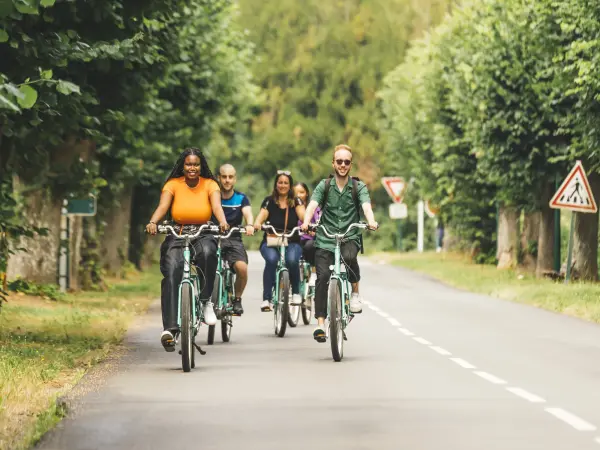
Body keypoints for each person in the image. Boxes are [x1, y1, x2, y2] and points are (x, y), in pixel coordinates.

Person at [146, 148, 229, 352]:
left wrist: (223, 222)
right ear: (182, 166)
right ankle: (171, 329)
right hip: (178, 231)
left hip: (203, 231)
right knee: (172, 269)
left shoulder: (210, 184)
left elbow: (217, 207)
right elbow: (163, 206)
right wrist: (153, 222)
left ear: (201, 166)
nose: (192, 168)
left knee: (209, 254)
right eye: (188, 164)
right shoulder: (173, 184)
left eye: (196, 164)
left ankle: (205, 299)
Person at [301, 144, 378, 343]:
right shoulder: (324, 185)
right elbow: (312, 205)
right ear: (333, 163)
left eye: (346, 162)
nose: (342, 165)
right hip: (325, 237)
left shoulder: (357, 186)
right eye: (339, 161)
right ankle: (319, 324)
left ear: (350, 164)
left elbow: (366, 206)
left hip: (349, 235)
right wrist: (306, 222)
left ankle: (355, 293)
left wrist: (371, 220)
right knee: (323, 276)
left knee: (350, 257)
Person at [254, 171, 305, 311]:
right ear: (276, 184)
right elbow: (262, 215)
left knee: (292, 260)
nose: (282, 185)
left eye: (286, 183)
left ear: (290, 186)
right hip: (271, 241)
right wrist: (257, 223)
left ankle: (295, 293)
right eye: (280, 182)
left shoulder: (296, 201)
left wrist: (306, 223)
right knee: (271, 260)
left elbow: (302, 214)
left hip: (292, 241)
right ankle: (267, 299)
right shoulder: (269, 201)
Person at [217, 164, 255, 315]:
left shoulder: (241, 198)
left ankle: (237, 299)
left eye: (230, 177)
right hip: (213, 237)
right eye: (224, 177)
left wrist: (250, 225)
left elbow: (248, 214)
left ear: (235, 179)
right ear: (218, 178)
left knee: (242, 268)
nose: (227, 180)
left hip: (233, 238)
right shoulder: (212, 197)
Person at [294, 182, 320, 287]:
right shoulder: (290, 207)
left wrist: (313, 229)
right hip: (293, 239)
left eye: (302, 192)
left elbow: (318, 221)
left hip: (308, 240)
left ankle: (313, 272)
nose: (299, 195)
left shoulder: (313, 208)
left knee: (311, 246)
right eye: (296, 193)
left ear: (307, 194)